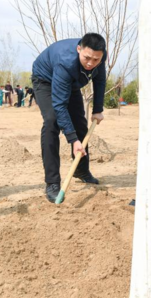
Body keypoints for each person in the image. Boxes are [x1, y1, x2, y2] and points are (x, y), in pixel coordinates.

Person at [31, 33, 106, 202]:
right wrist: (73, 140)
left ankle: (81, 170)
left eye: (95, 60)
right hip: (45, 80)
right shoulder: (65, 61)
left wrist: (98, 109)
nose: (90, 63)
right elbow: (59, 105)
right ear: (79, 49)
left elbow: (100, 80)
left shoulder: (99, 56)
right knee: (51, 121)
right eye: (87, 58)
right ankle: (52, 182)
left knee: (80, 124)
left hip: (71, 83)